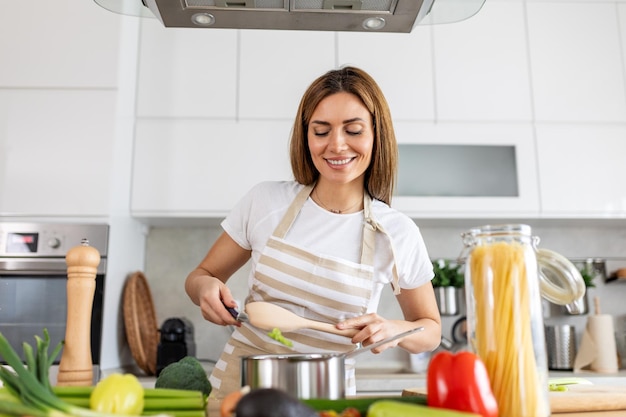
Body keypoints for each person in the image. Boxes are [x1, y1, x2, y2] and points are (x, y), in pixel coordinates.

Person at [185, 66, 442, 400]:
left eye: (353, 130)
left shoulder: (396, 232)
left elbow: (430, 329)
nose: (336, 145)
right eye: (321, 131)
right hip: (239, 391)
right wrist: (205, 288)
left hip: (325, 398)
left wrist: (394, 329)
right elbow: (201, 276)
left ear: (377, 135)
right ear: (305, 137)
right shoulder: (265, 202)